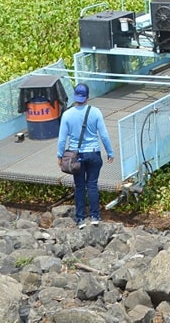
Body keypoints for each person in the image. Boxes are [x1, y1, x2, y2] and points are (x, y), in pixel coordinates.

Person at [57, 83, 115, 228]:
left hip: (76, 156)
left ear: (75, 97)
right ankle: (95, 216)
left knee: (79, 186)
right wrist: (109, 152)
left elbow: (62, 139)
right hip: (93, 153)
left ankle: (80, 219)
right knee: (92, 185)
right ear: (87, 97)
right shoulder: (95, 112)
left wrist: (60, 155)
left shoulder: (67, 115)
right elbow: (104, 135)